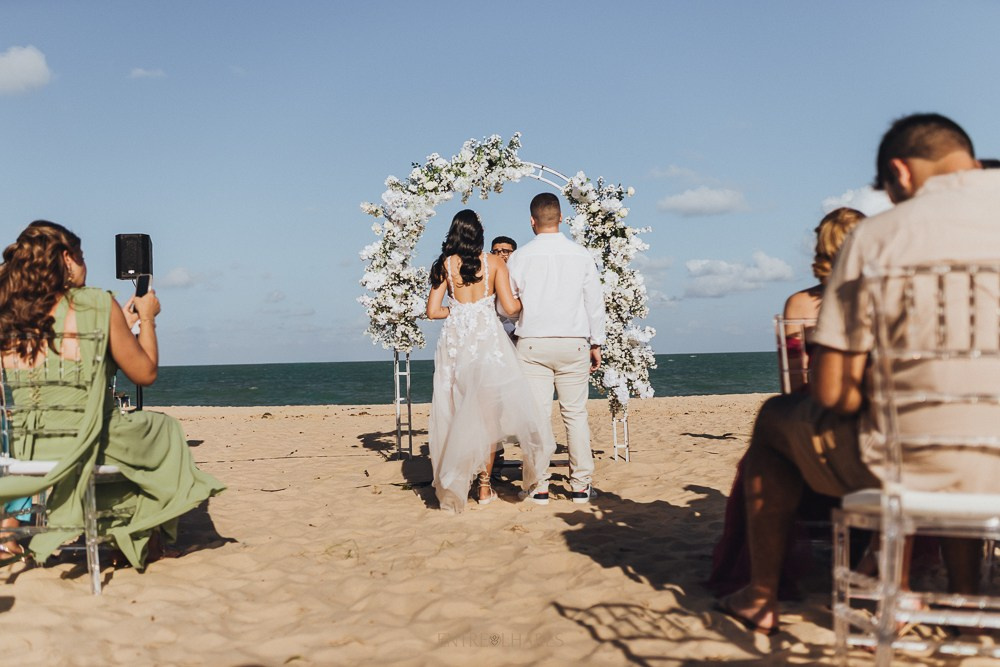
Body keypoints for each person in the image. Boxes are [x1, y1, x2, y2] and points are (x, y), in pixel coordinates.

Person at [716, 113, 1000, 636]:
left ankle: (760, 596)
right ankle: (967, 602)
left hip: (911, 463)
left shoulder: (877, 238)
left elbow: (832, 394)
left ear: (901, 173)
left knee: (774, 420)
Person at [0, 220, 225, 570]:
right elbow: (145, 373)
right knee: (162, 431)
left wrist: (115, 324)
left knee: (121, 436)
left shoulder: (10, 313)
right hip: (89, 443)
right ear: (67, 259)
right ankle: (143, 539)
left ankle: (133, 537)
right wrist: (146, 319)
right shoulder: (94, 306)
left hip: (29, 448)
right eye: (83, 255)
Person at [707, 207, 864, 597]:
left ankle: (764, 585)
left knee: (769, 436)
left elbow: (794, 385)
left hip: (816, 426)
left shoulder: (800, 306)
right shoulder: (885, 301)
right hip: (872, 426)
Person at [425, 210, 554, 513]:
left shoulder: (444, 266)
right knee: (486, 416)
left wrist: (458, 311)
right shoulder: (495, 263)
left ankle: (455, 485)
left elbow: (432, 310)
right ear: (479, 234)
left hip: (455, 345)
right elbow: (509, 308)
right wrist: (528, 301)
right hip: (486, 342)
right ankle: (484, 487)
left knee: (453, 412)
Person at [506, 193, 606, 504]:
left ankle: (539, 485)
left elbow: (507, 306)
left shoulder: (520, 257)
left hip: (533, 342)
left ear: (532, 221)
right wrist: (597, 343)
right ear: (561, 218)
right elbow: (595, 304)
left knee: (536, 417)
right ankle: (579, 485)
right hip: (573, 342)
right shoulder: (581, 255)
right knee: (575, 415)